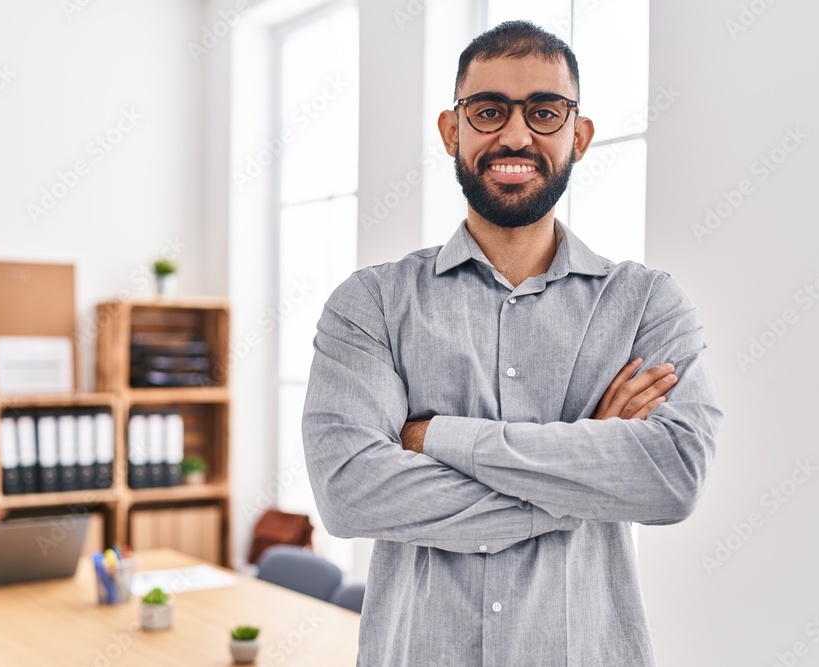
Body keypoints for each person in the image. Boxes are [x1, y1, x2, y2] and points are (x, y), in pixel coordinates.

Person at [302, 20, 723, 667]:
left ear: (578, 135)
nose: (517, 135)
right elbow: (351, 491)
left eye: (545, 112)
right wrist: (588, 465)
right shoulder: (373, 303)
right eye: (490, 110)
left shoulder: (647, 304)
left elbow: (671, 476)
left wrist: (434, 436)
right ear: (453, 129)